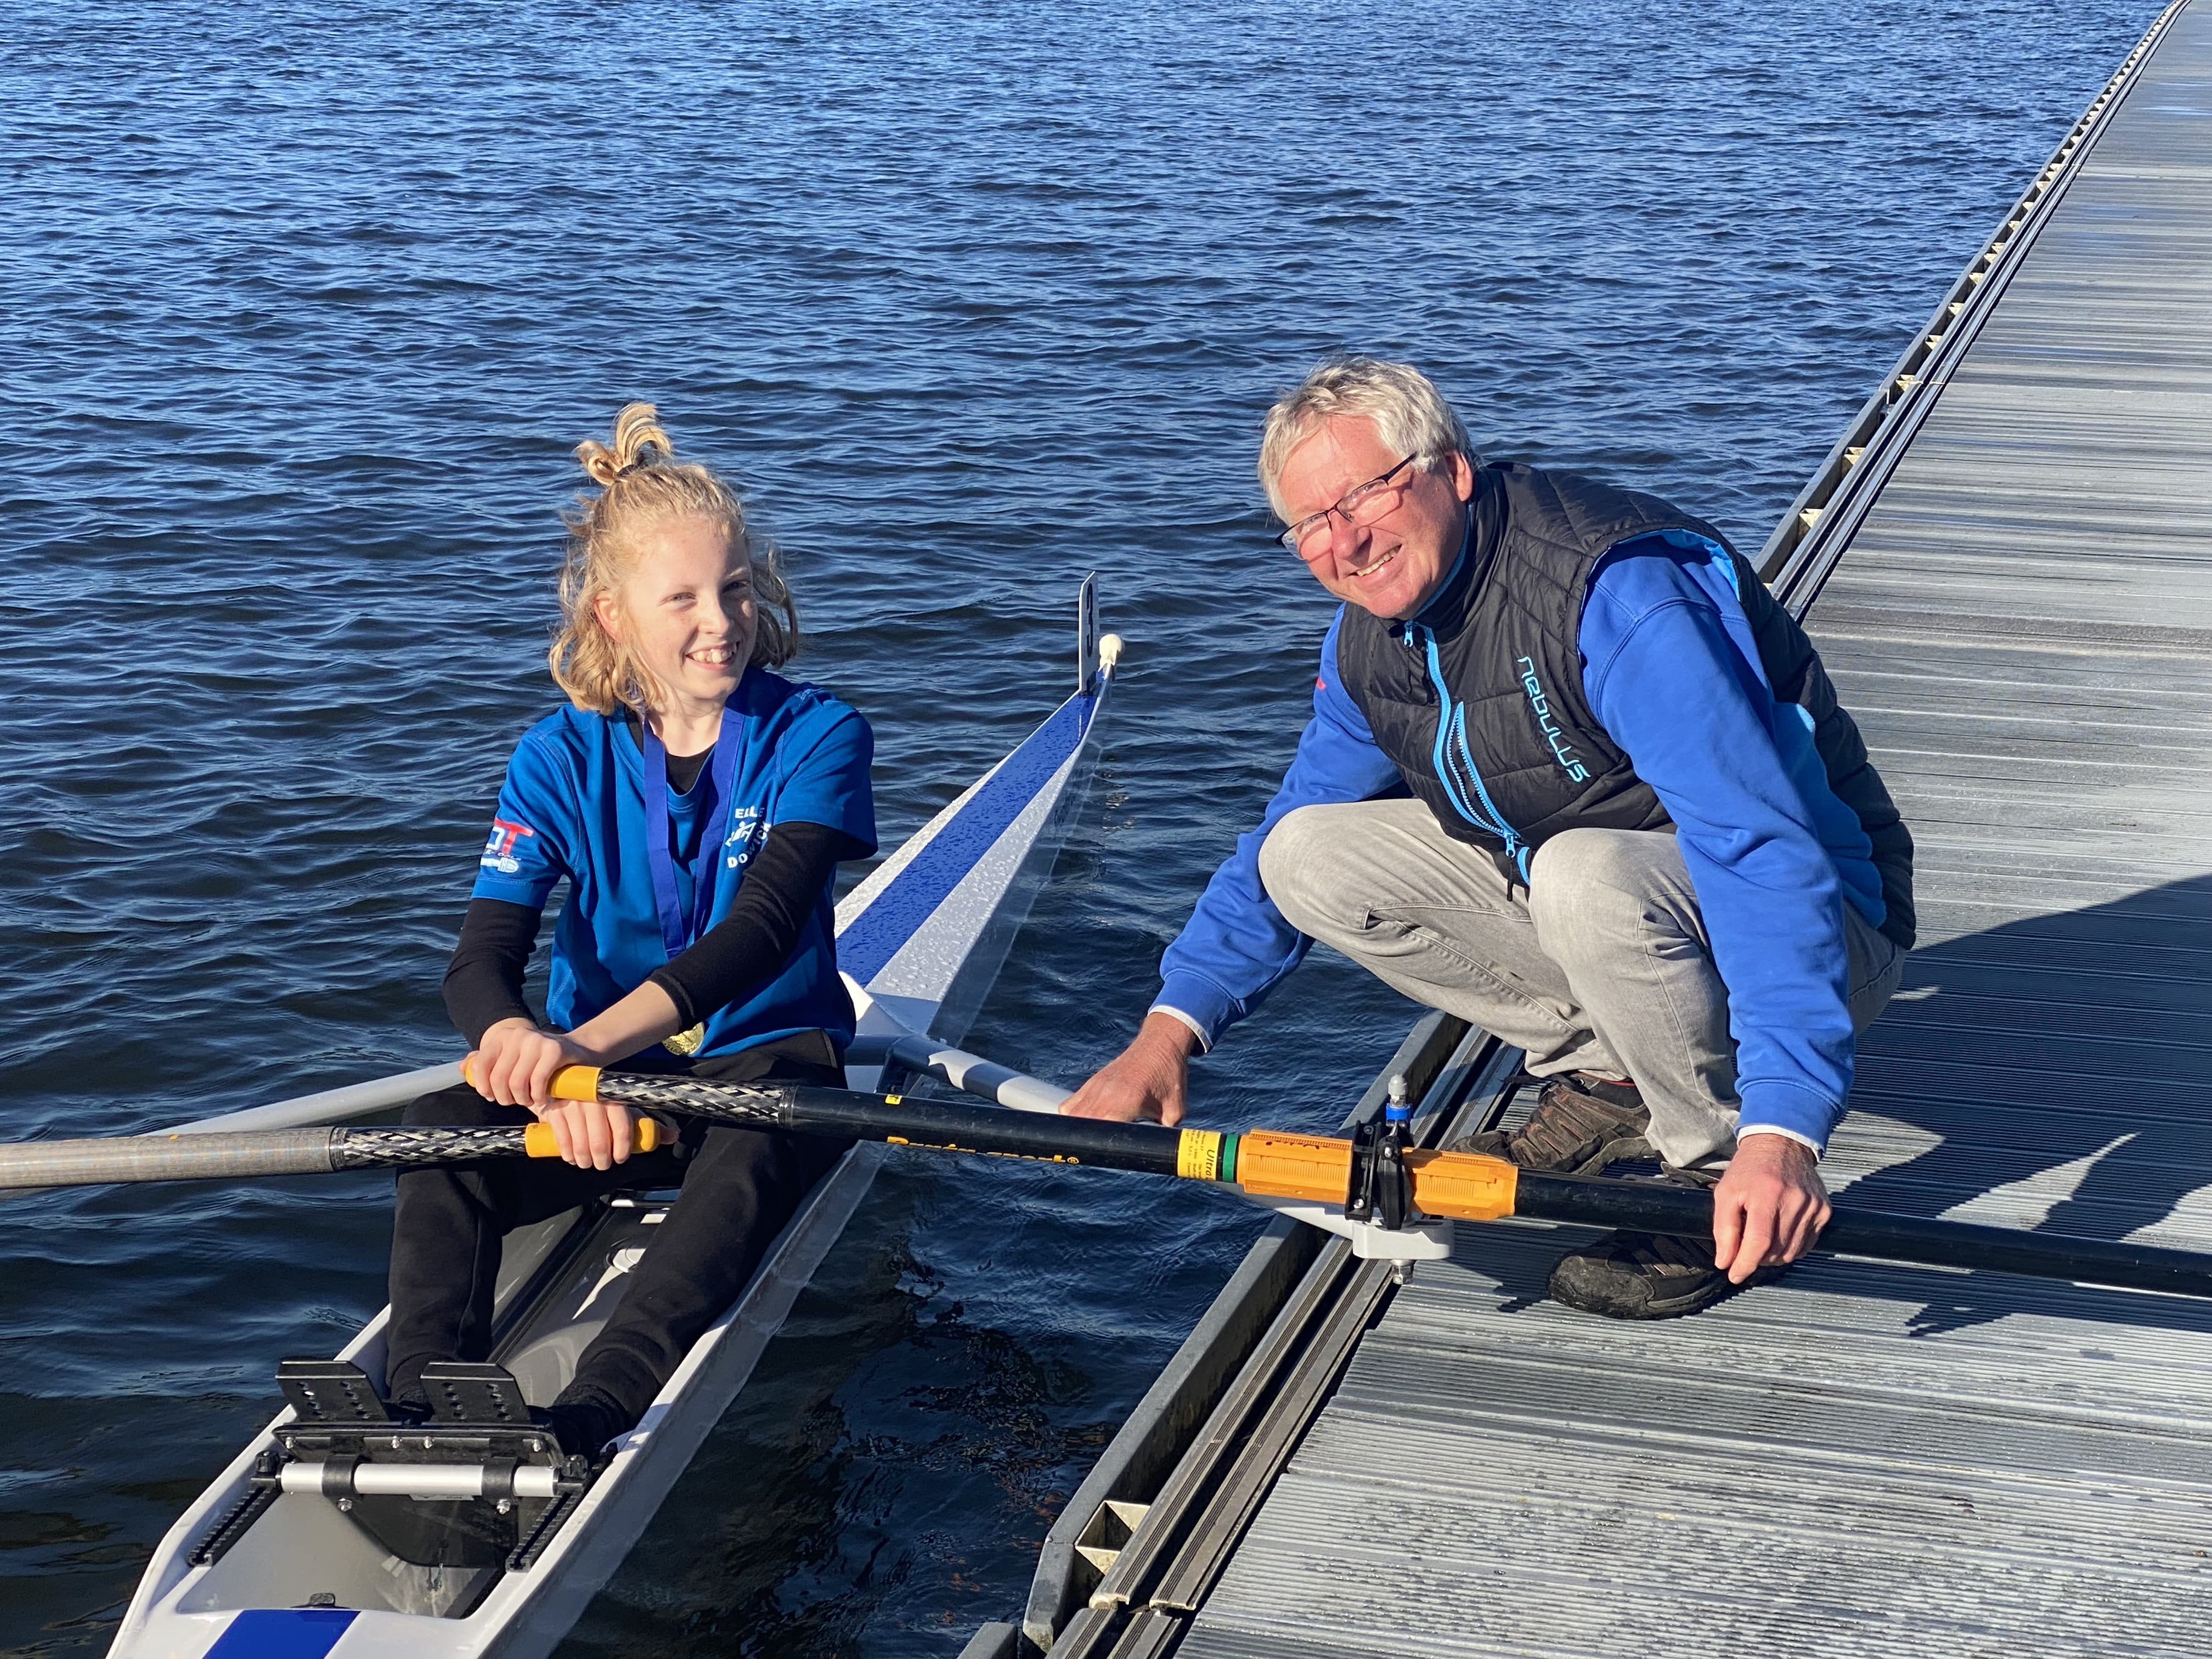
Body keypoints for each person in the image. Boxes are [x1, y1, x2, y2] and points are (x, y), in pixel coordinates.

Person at [1064, 357, 1913, 1320]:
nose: (1346, 541)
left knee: (1584, 870)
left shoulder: (1617, 593)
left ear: (1453, 471)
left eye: (1364, 496)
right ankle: (1609, 1074)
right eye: (1310, 525)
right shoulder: (1368, 644)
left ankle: (1714, 1166)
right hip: (1630, 906)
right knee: (1302, 854)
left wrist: (1786, 1131)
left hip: (1837, 927)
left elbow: (1761, 850)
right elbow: (1277, 843)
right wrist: (1168, 1032)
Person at [382, 404, 876, 1448]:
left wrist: (583, 1055)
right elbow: (481, 961)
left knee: (749, 1142)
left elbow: (763, 929)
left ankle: (596, 1412)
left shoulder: (820, 733)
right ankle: (421, 1404)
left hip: (762, 1067)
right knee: (438, 1145)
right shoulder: (556, 757)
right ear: (611, 617)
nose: (722, 621)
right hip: (593, 1090)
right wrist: (527, 1057)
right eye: (684, 598)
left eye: (736, 589)